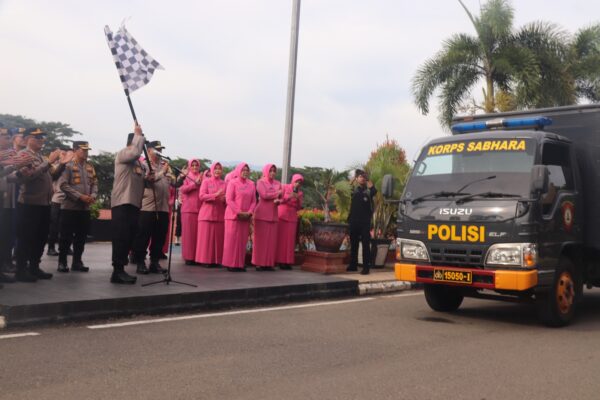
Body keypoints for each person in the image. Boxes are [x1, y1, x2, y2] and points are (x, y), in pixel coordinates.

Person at [14, 128, 69, 282]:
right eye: (36, 137)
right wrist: (49, 162)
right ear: (26, 140)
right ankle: (21, 269)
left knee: (40, 237)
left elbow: (50, 176)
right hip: (29, 203)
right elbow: (28, 176)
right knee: (26, 237)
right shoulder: (23, 155)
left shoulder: (40, 156)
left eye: (42, 137)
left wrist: (62, 164)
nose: (40, 139)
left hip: (44, 203)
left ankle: (34, 266)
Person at [110, 124, 148, 284]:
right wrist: (138, 135)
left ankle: (122, 268)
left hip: (133, 204)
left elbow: (141, 181)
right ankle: (117, 271)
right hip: (122, 203)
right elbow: (134, 152)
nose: (142, 146)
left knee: (129, 237)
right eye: (140, 142)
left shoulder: (138, 164)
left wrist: (149, 179)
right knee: (121, 237)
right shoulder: (123, 154)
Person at [133, 140, 173, 274]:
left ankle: (154, 262)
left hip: (163, 207)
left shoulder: (163, 165)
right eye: (157, 149)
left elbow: (173, 182)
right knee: (143, 236)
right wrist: (162, 172)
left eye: (161, 150)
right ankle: (140, 262)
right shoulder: (144, 165)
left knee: (159, 236)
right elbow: (148, 179)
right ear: (149, 151)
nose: (160, 152)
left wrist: (177, 178)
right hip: (148, 207)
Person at [56, 141, 98, 273]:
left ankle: (77, 261)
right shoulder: (68, 166)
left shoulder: (90, 167)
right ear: (75, 150)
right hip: (70, 207)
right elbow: (63, 185)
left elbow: (95, 184)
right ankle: (62, 262)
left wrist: (93, 195)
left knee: (81, 237)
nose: (86, 152)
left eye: (87, 150)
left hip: (85, 208)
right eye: (83, 150)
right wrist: (80, 196)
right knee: (66, 237)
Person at [0, 127, 34, 283]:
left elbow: (8, 177)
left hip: (8, 198)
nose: (6, 139)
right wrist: (13, 166)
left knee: (7, 233)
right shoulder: (8, 156)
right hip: (5, 197)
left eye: (8, 136)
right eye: (4, 136)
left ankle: (5, 264)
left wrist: (20, 173)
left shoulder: (12, 155)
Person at [222, 163, 256, 272]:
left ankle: (239, 264)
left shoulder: (251, 184)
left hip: (245, 217)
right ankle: (230, 263)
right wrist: (239, 212)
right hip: (233, 216)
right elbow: (229, 199)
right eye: (243, 169)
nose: (245, 171)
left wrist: (249, 212)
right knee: (231, 241)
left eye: (247, 170)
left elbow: (254, 201)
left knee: (242, 242)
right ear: (238, 171)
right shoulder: (232, 182)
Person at [195, 162, 226, 267]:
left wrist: (224, 199)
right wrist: (215, 195)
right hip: (207, 214)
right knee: (206, 239)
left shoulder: (224, 183)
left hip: (219, 214)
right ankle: (205, 260)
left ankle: (217, 260)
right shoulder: (206, 182)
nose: (217, 170)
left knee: (218, 239)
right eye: (216, 168)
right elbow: (202, 196)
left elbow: (227, 198)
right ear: (212, 170)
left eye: (219, 169)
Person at [252, 163, 281, 271]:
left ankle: (268, 263)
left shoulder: (278, 183)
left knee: (271, 241)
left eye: (274, 171)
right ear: (266, 171)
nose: (272, 173)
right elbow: (264, 195)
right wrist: (276, 193)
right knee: (260, 241)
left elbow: (279, 196)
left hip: (273, 214)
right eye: (270, 170)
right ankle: (258, 263)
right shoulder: (260, 182)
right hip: (262, 214)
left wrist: (279, 200)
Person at [347, 169, 376, 275]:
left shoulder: (368, 191)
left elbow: (374, 190)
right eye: (360, 177)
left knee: (365, 245)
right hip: (353, 220)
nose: (362, 178)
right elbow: (346, 189)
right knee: (354, 244)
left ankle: (366, 267)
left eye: (364, 177)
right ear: (357, 178)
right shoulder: (353, 190)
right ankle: (353, 265)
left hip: (365, 222)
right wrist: (353, 179)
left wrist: (368, 180)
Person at [276, 173, 304, 270]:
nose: (298, 184)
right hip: (282, 214)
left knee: (290, 241)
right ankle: (280, 261)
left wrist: (298, 200)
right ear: (293, 180)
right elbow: (279, 200)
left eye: (300, 182)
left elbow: (299, 207)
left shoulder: (300, 193)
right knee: (282, 239)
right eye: (297, 181)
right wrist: (289, 196)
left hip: (292, 217)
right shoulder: (284, 187)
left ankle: (288, 261)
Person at [179, 159, 202, 265]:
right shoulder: (186, 176)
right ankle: (188, 257)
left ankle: (197, 256)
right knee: (188, 235)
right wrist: (195, 184)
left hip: (200, 209)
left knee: (198, 235)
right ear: (189, 166)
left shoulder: (203, 177)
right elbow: (183, 189)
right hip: (188, 209)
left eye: (196, 165)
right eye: (192, 165)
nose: (194, 167)